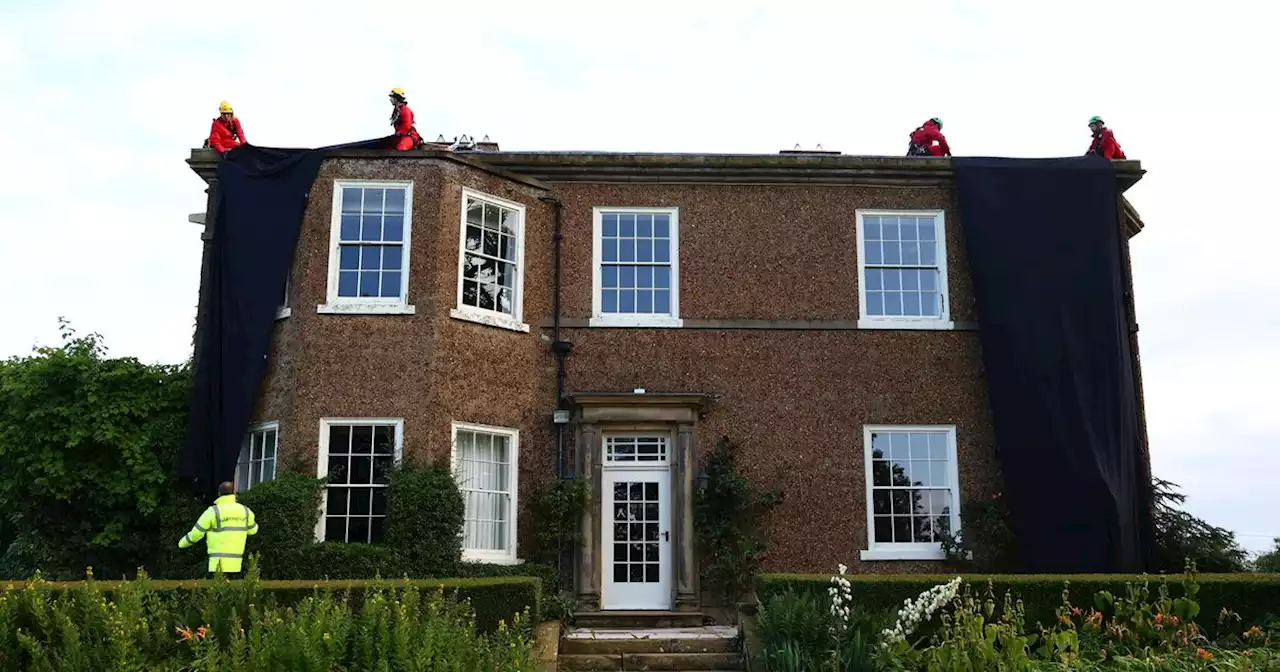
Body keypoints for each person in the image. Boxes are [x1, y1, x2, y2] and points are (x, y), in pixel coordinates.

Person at [178, 481, 258, 576]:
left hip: (216, 564)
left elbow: (196, 534)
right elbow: (253, 530)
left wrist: (181, 544)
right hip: (236, 565)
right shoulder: (245, 511)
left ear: (219, 494)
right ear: (234, 493)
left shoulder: (213, 512)